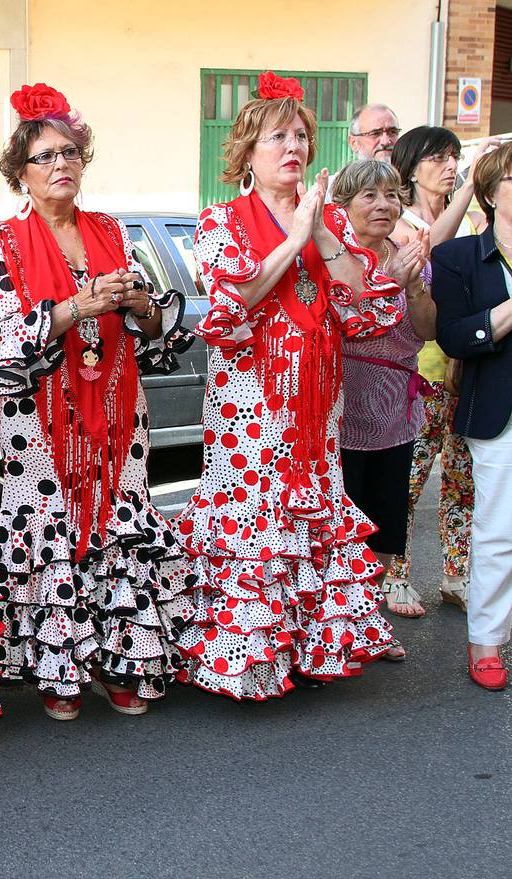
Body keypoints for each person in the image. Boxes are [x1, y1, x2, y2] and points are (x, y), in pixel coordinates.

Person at [174, 71, 400, 699]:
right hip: (252, 407)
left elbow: (369, 306)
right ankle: (246, 659)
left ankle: (305, 650)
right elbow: (229, 305)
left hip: (317, 404)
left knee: (310, 517)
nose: (294, 146)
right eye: (277, 136)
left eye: (301, 135)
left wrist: (321, 232)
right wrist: (293, 240)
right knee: (253, 524)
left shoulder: (330, 218)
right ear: (247, 151)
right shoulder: (221, 221)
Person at [0, 83, 195, 720]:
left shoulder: (111, 231)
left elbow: (157, 332)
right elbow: (3, 337)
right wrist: (77, 307)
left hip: (120, 410)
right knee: (50, 534)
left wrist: (137, 305)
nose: (60, 165)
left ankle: (123, 662)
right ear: (20, 172)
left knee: (118, 529)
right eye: (43, 157)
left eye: (70, 152)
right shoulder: (0, 244)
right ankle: (58, 671)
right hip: (35, 420)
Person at [383, 128, 496, 613]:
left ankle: (455, 574)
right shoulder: (400, 222)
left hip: (462, 367)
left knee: (462, 479)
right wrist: (472, 185)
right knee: (408, 480)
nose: (450, 166)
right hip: (415, 372)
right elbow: (433, 249)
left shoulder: (471, 221)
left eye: (455, 158)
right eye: (439, 158)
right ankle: (395, 575)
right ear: (412, 167)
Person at [333, 160, 435, 638]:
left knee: (386, 519)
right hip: (339, 411)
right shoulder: (333, 257)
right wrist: (386, 278)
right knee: (341, 523)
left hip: (394, 410)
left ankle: (370, 624)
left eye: (392, 194)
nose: (384, 205)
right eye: (369, 195)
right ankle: (337, 627)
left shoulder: (412, 256)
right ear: (344, 205)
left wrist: (412, 285)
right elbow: (336, 321)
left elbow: (428, 330)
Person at [430, 141, 512, 690]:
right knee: (497, 532)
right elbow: (454, 335)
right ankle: (487, 642)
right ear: (490, 191)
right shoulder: (459, 257)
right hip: (499, 412)